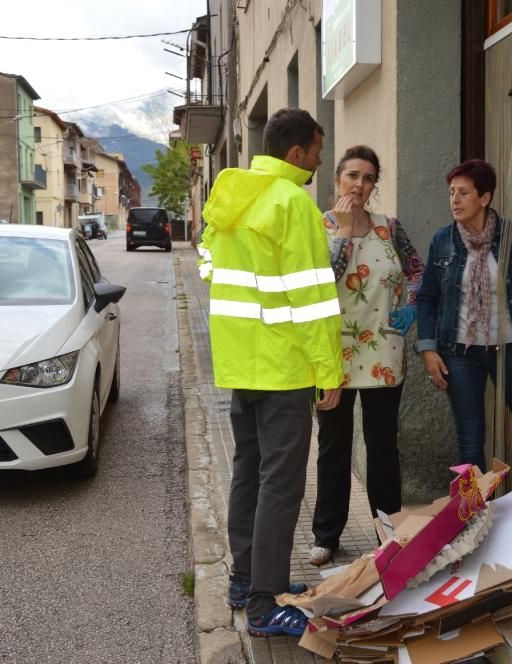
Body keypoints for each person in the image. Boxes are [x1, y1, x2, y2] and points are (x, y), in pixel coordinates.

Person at [197, 107, 344, 638]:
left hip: (242, 363)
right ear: (297, 152)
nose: (320, 164)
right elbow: (311, 300)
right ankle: (265, 605)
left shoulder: (227, 198)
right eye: (318, 154)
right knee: (281, 487)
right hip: (284, 367)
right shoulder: (291, 203)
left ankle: (242, 581)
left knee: (248, 472)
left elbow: (209, 268)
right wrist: (329, 370)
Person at [309, 146, 425, 566]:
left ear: (375, 186)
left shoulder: (389, 228)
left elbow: (416, 270)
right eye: (352, 175)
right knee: (332, 445)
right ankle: (327, 535)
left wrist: (410, 302)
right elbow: (324, 279)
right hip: (332, 352)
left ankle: (387, 531)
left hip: (384, 350)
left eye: (369, 178)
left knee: (382, 446)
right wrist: (340, 231)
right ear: (336, 180)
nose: (359, 184)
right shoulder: (316, 226)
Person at [414, 159, 512, 472]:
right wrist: (427, 348)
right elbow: (427, 297)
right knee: (469, 438)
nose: (454, 200)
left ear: (485, 197)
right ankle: (474, 516)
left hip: (511, 348)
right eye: (451, 193)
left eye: (463, 193)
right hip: (460, 353)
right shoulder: (443, 240)